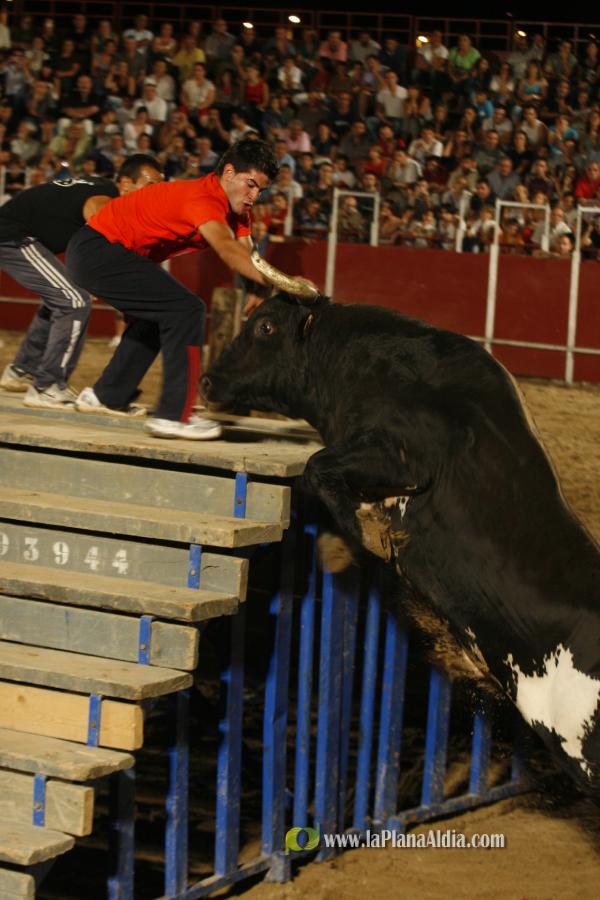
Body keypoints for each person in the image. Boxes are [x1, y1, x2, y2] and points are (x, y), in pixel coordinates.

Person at [65, 139, 307, 441]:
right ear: (229, 173)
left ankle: (106, 396)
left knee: (157, 317)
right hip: (97, 249)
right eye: (250, 185)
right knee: (186, 310)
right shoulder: (203, 197)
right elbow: (227, 249)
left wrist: (257, 286)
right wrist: (288, 283)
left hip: (105, 252)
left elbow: (247, 252)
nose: (254, 196)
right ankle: (174, 415)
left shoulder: (239, 210)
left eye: (261, 190)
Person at [0, 154, 162, 407]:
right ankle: (47, 386)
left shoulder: (101, 186)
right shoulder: (104, 199)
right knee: (74, 301)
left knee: (65, 298)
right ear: (126, 183)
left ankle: (23, 370)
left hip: (19, 232)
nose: (155, 193)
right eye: (150, 185)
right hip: (13, 235)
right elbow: (100, 228)